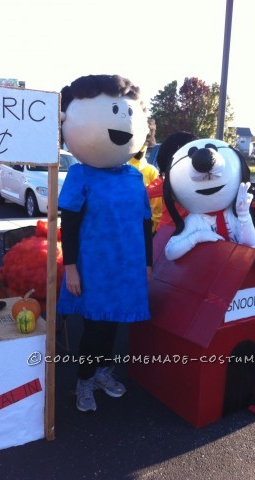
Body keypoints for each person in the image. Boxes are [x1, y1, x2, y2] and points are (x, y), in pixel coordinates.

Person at [57, 74, 153, 412]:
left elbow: (145, 221)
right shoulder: (81, 174)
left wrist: (148, 263)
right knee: (94, 327)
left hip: (125, 266)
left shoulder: (134, 177)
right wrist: (71, 268)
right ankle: (84, 381)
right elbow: (69, 222)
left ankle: (102, 372)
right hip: (93, 267)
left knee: (112, 324)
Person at [146, 131, 197, 231]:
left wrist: (160, 178)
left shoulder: (170, 182)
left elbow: (148, 192)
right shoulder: (200, 181)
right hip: (193, 229)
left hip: (168, 230)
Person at [128, 144, 162, 234]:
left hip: (143, 219)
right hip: (126, 218)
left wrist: (154, 220)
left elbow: (156, 200)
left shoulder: (151, 170)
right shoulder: (122, 168)